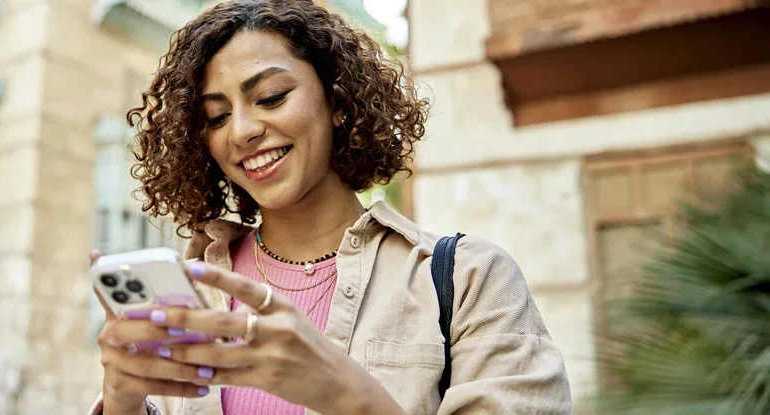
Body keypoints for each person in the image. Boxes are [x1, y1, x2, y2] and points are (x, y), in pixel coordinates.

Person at [89, 1, 572, 414]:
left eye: (271, 97)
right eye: (217, 116)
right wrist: (121, 402)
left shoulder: (466, 279)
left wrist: (347, 395)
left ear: (337, 99)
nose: (241, 131)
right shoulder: (193, 292)